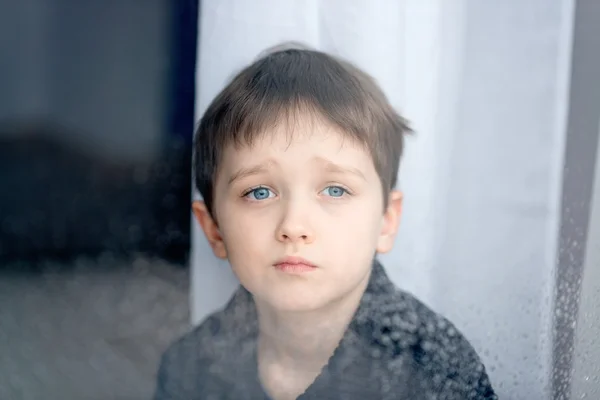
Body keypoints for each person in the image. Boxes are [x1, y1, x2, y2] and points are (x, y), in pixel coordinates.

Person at [154, 43, 497, 400]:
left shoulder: (431, 368)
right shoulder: (189, 367)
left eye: (334, 190)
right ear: (214, 230)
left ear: (386, 222)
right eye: (259, 192)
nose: (294, 225)